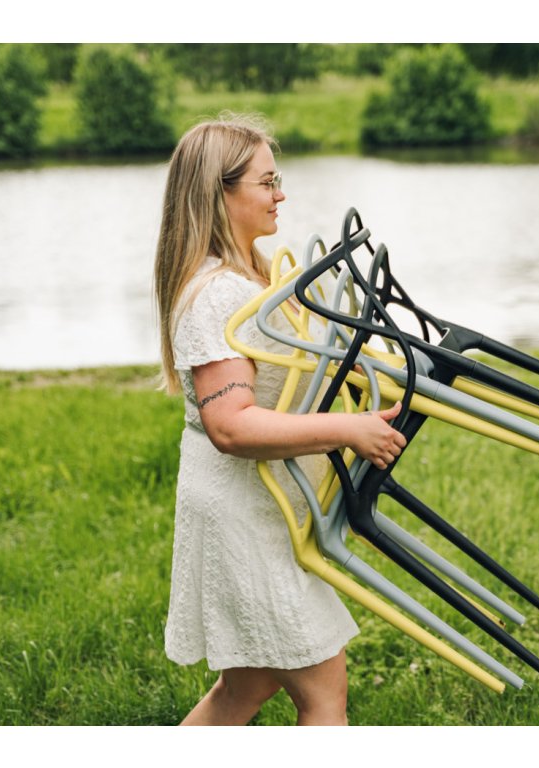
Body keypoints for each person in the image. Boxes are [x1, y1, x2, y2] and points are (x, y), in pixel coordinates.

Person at [153, 114, 407, 726]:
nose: (280, 195)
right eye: (266, 183)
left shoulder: (257, 274)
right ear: (219, 193)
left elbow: (285, 371)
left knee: (246, 687)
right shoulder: (217, 294)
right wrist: (347, 431)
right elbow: (231, 426)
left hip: (266, 506)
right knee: (323, 693)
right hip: (243, 513)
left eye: (279, 180)